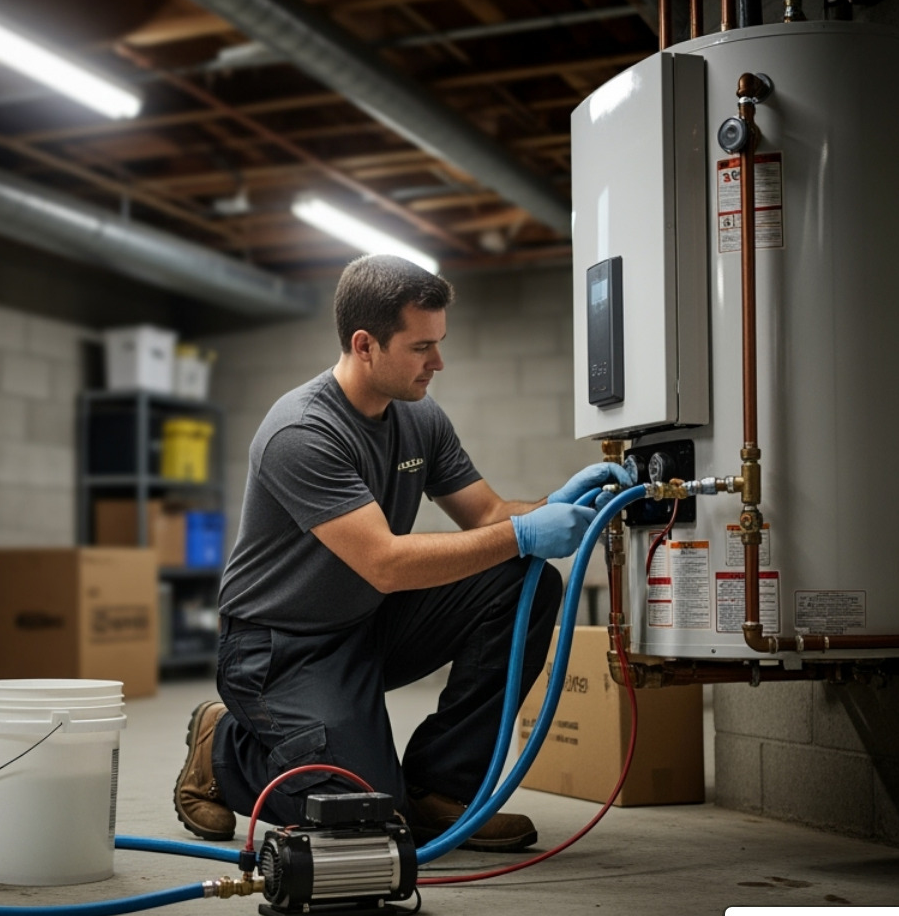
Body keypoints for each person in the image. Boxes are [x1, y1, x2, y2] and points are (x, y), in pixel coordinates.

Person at [173, 253, 631, 851]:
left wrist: (557, 504)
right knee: (363, 814)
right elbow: (385, 563)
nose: (437, 362)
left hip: (366, 620)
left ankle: (439, 789)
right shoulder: (303, 432)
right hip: (279, 647)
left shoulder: (419, 416)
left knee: (524, 583)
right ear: (365, 345)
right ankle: (222, 748)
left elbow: (488, 516)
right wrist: (521, 534)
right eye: (421, 348)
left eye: (438, 343)